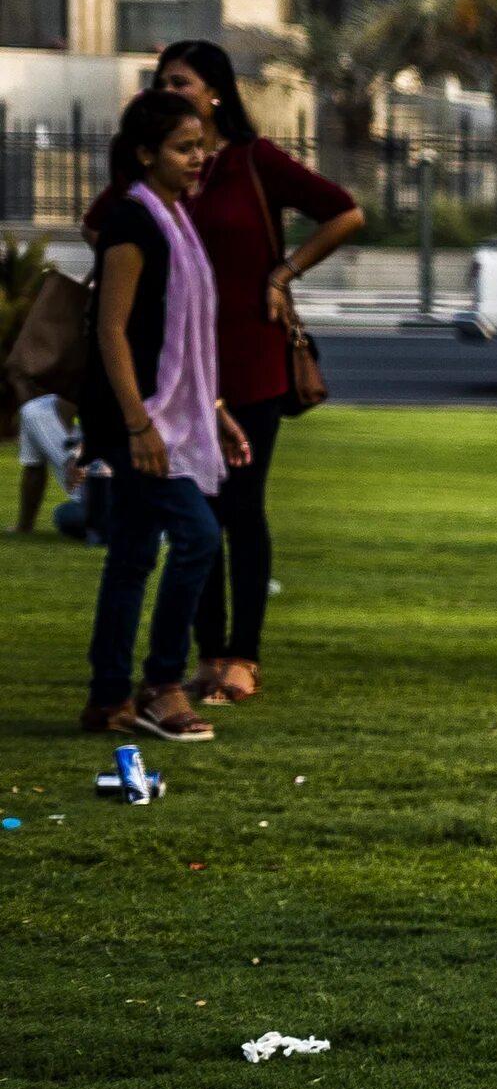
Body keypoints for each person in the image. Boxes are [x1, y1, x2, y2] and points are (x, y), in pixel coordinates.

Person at [83, 40, 363, 707]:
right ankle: (178, 668)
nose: (172, 91)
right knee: (189, 525)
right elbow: (108, 273)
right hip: (162, 389)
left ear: (215, 93)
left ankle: (220, 660)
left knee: (229, 514)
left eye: (182, 82)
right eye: (162, 83)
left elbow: (344, 211)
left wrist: (283, 274)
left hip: (236, 369)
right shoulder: (146, 199)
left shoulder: (239, 168)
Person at [78, 88, 251, 741]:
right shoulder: (133, 223)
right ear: (145, 154)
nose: (199, 157)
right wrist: (139, 425)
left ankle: (107, 697)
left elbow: (180, 343)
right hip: (139, 420)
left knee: (130, 553)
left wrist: (214, 411)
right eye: (184, 148)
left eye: (201, 144)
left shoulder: (177, 221)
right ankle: (162, 684)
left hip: (169, 416)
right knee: (199, 536)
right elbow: (112, 330)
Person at [14, 392, 89, 539]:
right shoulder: (33, 413)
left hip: (125, 498)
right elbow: (34, 470)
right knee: (67, 516)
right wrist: (24, 525)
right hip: (87, 507)